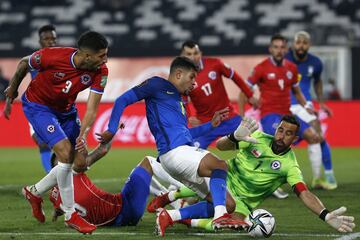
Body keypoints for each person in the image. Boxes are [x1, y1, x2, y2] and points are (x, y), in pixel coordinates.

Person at [96, 56, 249, 237]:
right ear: (178, 74)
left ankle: (170, 216)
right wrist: (112, 128)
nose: (194, 83)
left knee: (227, 203)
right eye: (192, 77)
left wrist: (211, 125)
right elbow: (122, 100)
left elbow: (186, 135)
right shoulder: (156, 85)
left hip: (181, 155)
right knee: (220, 165)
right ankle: (220, 216)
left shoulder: (179, 100)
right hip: (174, 154)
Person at [148, 115, 355, 234]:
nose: (282, 135)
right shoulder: (256, 137)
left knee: (227, 226)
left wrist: (325, 215)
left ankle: (180, 216)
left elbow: (304, 193)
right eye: (280, 130)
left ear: (295, 138)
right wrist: (233, 137)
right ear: (276, 129)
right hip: (222, 179)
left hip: (244, 203)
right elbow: (220, 146)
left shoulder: (290, 166)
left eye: (288, 133)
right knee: (219, 197)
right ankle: (170, 198)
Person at [4, 31, 109, 234]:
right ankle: (71, 215)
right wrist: (13, 88)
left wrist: (83, 134)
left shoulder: (101, 71)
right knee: (64, 153)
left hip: (67, 111)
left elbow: (92, 109)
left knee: (79, 163)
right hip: (39, 106)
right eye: (102, 55)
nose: (105, 60)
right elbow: (24, 63)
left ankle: (34, 192)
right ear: (87, 56)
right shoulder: (53, 56)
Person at [239, 34, 323, 196]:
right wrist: (242, 116)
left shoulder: (291, 68)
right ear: (270, 49)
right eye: (275, 47)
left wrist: (306, 105)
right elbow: (244, 92)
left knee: (313, 137)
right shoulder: (261, 68)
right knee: (277, 144)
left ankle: (317, 179)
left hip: (288, 114)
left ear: (287, 49)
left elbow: (297, 91)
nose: (279, 50)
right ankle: (269, 183)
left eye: (282, 47)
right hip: (270, 114)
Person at [180, 40, 258, 149]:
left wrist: (249, 95)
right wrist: (189, 117)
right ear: (183, 56)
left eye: (196, 53)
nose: (193, 57)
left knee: (255, 143)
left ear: (200, 53)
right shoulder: (183, 78)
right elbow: (184, 102)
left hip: (229, 117)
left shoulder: (215, 64)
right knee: (191, 151)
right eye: (189, 54)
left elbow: (235, 77)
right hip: (206, 123)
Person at [287, 31, 337, 189]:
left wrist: (321, 103)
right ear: (294, 44)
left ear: (309, 45)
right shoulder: (285, 59)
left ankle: (326, 175)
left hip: (305, 105)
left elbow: (318, 82)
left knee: (319, 136)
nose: (301, 45)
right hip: (285, 105)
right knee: (277, 142)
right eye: (298, 42)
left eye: (304, 43)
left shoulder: (316, 63)